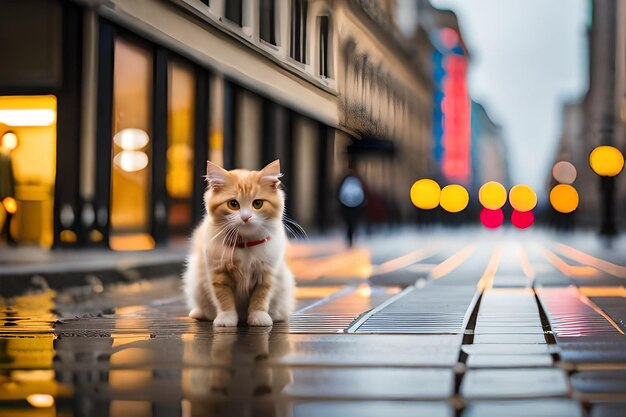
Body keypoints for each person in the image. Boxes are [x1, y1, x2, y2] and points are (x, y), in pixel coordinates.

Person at [338, 162, 367, 247]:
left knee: (352, 222)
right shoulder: (356, 179)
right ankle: (350, 237)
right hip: (350, 205)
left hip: (352, 205)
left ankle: (350, 238)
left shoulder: (349, 179)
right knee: (351, 222)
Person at [0, 132, 17, 245]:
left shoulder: (8, 156)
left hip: (7, 192)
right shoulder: (3, 156)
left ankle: (6, 234)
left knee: (10, 213)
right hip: (4, 191)